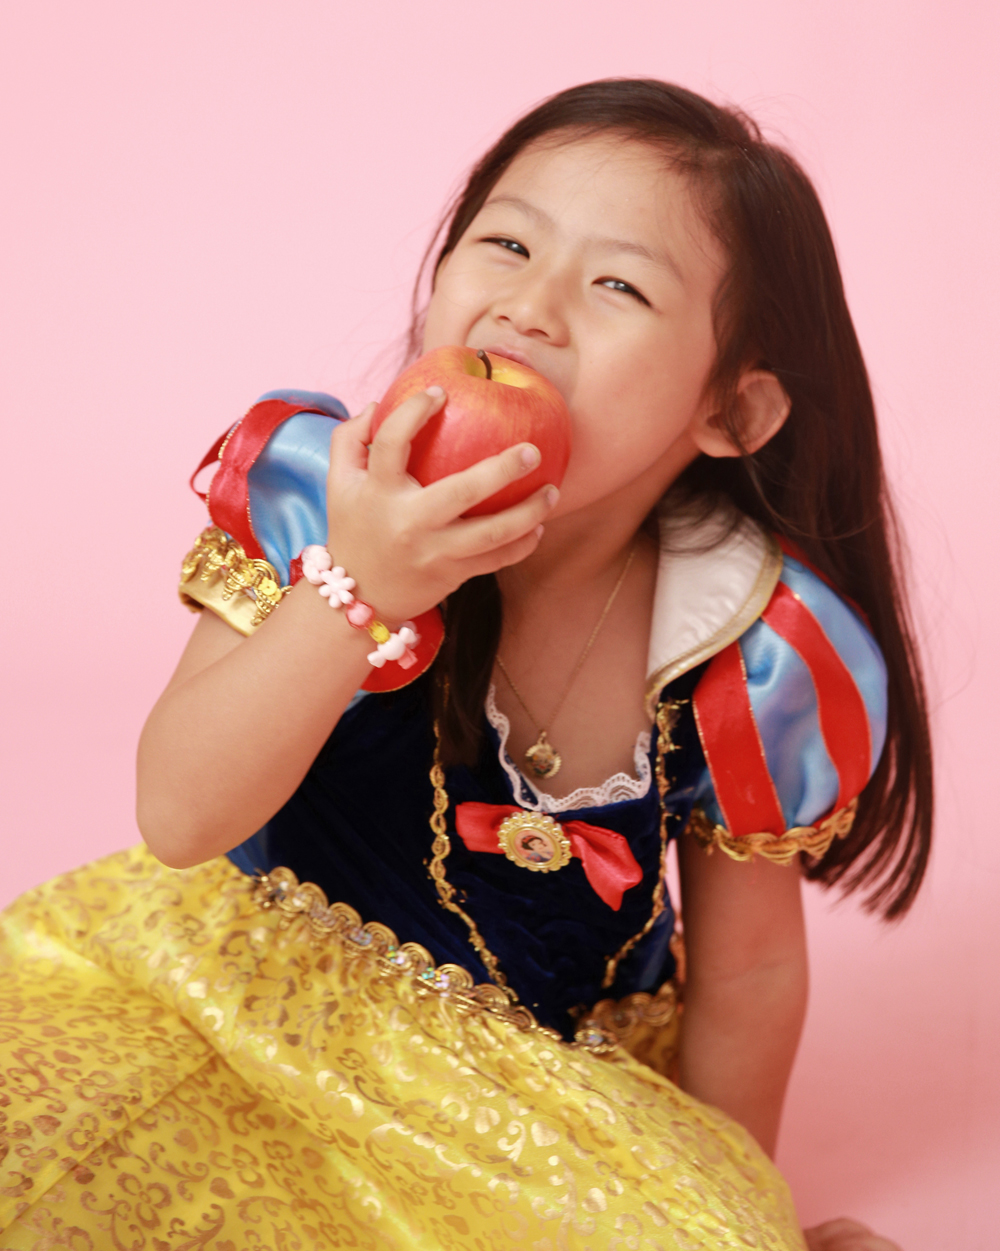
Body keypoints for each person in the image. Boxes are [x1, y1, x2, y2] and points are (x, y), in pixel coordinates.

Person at [0, 79, 929, 1250]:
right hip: (216, 1001)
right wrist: (359, 590)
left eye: (618, 286)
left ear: (731, 413)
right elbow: (180, 816)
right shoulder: (321, 495)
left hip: (516, 1105)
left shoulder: (751, 646)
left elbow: (747, 978)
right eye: (507, 243)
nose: (529, 309)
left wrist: (724, 1197)